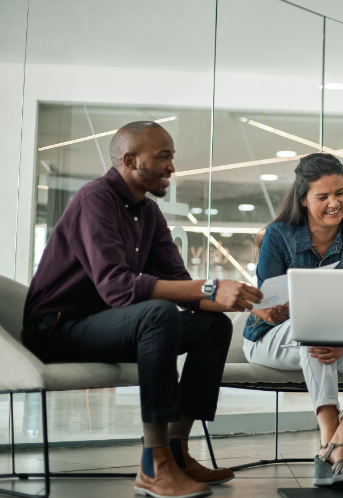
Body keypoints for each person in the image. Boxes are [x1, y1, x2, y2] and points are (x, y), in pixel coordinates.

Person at [22, 121, 262, 498]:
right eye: (163, 157)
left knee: (213, 326)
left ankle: (177, 453)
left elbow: (181, 285)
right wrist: (209, 286)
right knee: (157, 313)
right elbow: (118, 287)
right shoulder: (94, 199)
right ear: (131, 160)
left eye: (172, 157)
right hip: (58, 330)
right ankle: (153, 464)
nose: (172, 167)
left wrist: (248, 304)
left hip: (107, 325)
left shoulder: (148, 213)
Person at [243, 153, 343, 487]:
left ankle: (342, 442)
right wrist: (275, 308)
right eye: (323, 196)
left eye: (340, 193)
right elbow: (265, 301)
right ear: (303, 199)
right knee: (315, 328)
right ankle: (330, 437)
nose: (334, 203)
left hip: (337, 338)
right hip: (271, 337)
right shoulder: (278, 235)